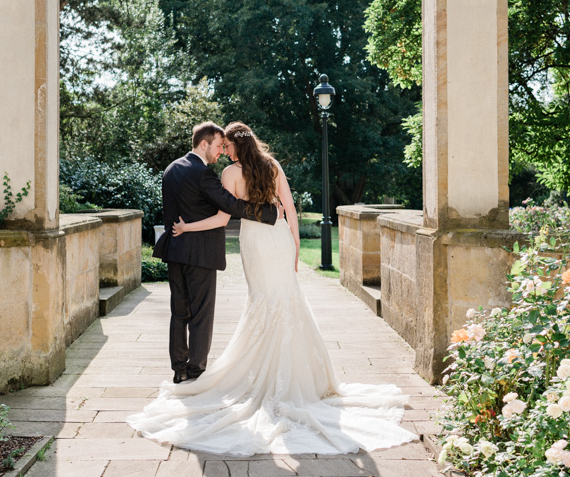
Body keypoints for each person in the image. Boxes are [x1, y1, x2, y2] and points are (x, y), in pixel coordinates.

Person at [127, 121, 416, 456]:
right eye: (219, 147)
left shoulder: (227, 175)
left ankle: (211, 372)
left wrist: (187, 226)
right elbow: (289, 209)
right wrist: (293, 246)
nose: (223, 152)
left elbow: (224, 218)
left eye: (227, 146)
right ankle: (303, 379)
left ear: (235, 146)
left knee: (260, 302)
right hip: (277, 240)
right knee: (287, 299)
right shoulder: (273, 165)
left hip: (254, 243)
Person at [155, 121, 281, 384]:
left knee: (179, 311)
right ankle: (196, 369)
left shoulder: (170, 170)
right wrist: (268, 213)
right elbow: (230, 205)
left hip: (174, 249)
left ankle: (178, 368)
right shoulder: (203, 174)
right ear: (204, 144)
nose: (221, 151)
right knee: (201, 312)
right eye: (218, 146)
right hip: (200, 254)